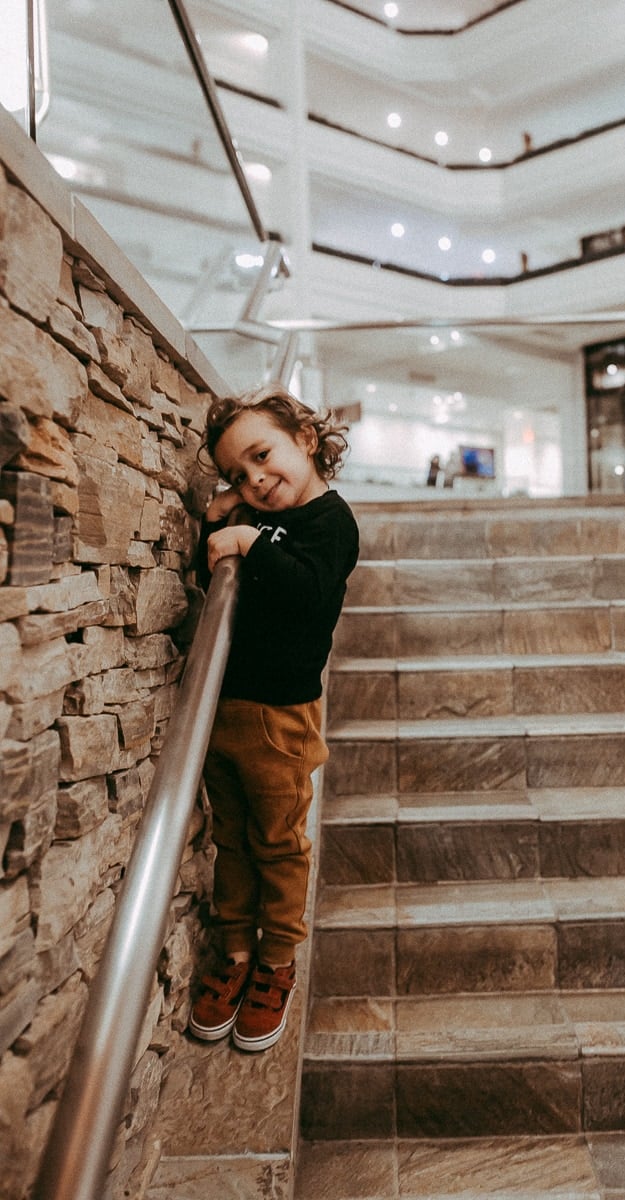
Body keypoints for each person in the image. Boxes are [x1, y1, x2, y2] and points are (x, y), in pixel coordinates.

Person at [188, 383, 359, 1052]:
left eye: (263, 457)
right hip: (223, 708)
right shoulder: (253, 516)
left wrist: (249, 540)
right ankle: (234, 952)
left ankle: (277, 961)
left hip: (283, 722)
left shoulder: (331, 521)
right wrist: (220, 519)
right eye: (239, 473)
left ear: (306, 440)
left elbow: (311, 597)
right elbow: (213, 568)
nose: (255, 480)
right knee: (231, 839)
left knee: (278, 842)